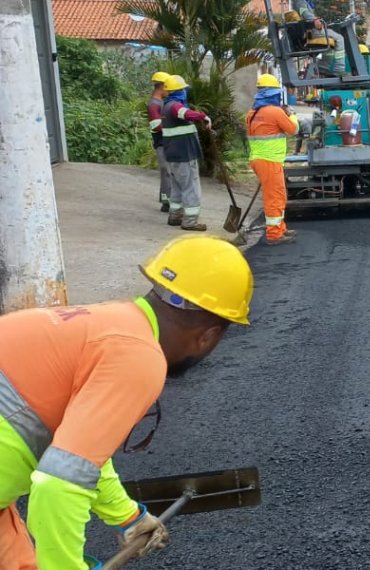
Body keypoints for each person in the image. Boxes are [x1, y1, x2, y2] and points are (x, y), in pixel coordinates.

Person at [0, 235, 255, 570]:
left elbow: (79, 454)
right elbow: (57, 487)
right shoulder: (139, 358)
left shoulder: (113, 322)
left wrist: (128, 517)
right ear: (209, 336)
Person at [247, 74, 301, 245]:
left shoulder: (252, 113)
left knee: (278, 195)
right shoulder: (275, 112)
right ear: (274, 93)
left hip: (258, 160)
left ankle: (280, 228)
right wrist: (291, 114)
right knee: (275, 198)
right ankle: (274, 234)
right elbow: (293, 129)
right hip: (269, 161)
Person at [160, 75, 212, 231]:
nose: (185, 92)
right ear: (178, 91)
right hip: (183, 155)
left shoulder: (166, 106)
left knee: (177, 187)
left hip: (173, 154)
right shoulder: (174, 106)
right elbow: (186, 114)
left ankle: (175, 215)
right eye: (183, 89)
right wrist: (203, 116)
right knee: (191, 187)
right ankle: (190, 221)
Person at [291, 0, 346, 76]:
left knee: (330, 45)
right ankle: (339, 70)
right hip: (312, 31)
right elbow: (306, 15)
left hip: (311, 31)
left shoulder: (303, 2)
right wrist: (316, 21)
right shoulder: (300, 2)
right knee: (340, 39)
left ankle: (323, 68)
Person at [147, 71, 173, 213]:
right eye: (168, 87)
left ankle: (167, 201)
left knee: (168, 171)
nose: (169, 90)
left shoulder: (161, 102)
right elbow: (156, 125)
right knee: (166, 171)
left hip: (166, 141)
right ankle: (167, 202)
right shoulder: (154, 104)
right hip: (161, 142)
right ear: (162, 86)